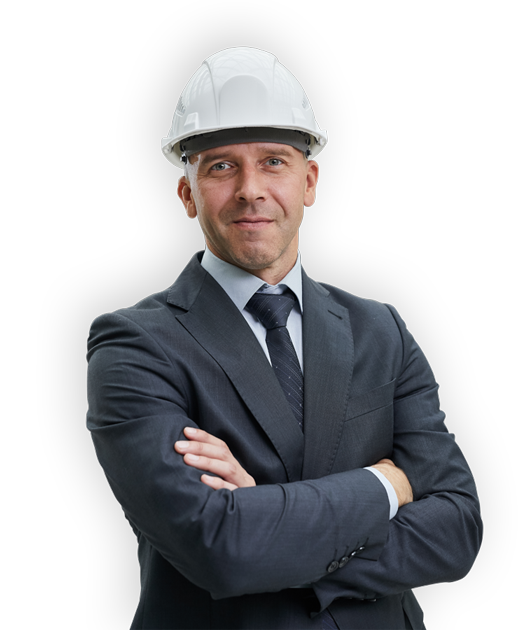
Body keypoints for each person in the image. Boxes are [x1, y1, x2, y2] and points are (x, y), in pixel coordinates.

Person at [86, 47, 482, 630]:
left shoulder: (384, 329)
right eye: (221, 166)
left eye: (274, 161)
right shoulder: (134, 345)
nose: (251, 189)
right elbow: (221, 549)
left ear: (310, 181)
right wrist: (388, 483)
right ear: (187, 194)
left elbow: (458, 530)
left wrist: (265, 516)